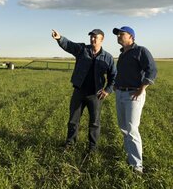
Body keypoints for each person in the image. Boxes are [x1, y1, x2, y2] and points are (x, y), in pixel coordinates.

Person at [52, 29, 116, 152]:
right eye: (91, 37)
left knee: (95, 123)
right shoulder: (82, 50)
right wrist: (60, 38)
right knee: (73, 120)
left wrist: (107, 90)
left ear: (102, 39)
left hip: (95, 95)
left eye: (95, 37)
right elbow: (69, 45)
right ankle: (70, 145)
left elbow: (114, 76)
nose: (92, 39)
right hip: (79, 91)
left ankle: (92, 148)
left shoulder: (107, 57)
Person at [112, 26, 157, 173]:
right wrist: (116, 86)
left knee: (131, 129)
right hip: (120, 93)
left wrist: (142, 88)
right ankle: (130, 158)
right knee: (124, 128)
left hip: (134, 94)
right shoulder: (122, 54)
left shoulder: (141, 51)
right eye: (118, 34)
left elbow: (152, 69)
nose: (119, 36)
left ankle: (137, 167)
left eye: (122, 34)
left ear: (131, 36)